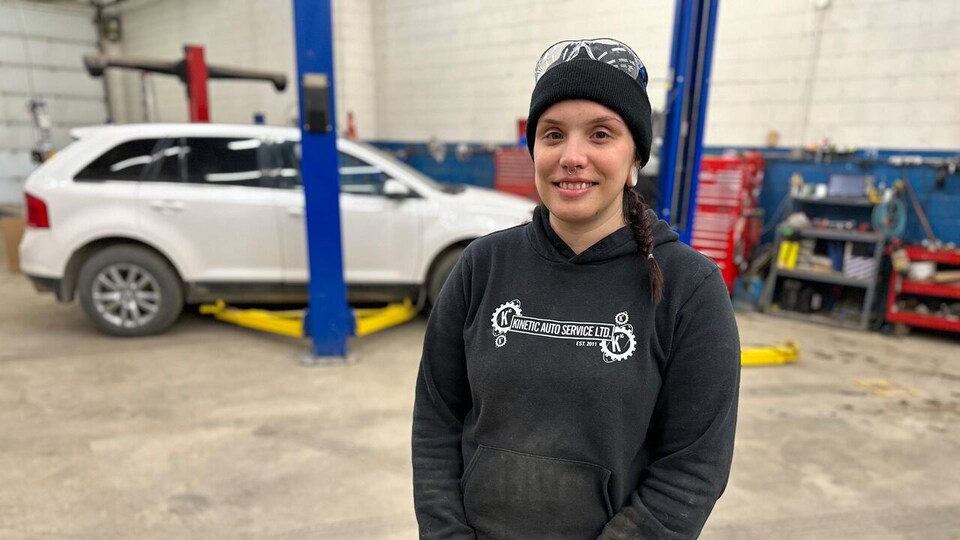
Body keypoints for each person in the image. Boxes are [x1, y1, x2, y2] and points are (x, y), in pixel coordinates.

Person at [412, 38, 740, 539]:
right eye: (553, 134)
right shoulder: (481, 266)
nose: (571, 157)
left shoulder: (690, 289)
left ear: (635, 159)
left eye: (601, 135)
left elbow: (692, 469)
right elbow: (436, 422)